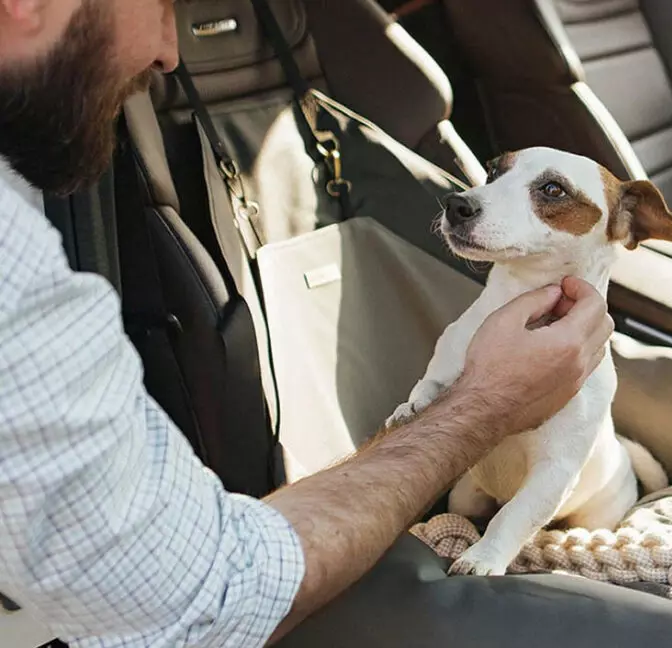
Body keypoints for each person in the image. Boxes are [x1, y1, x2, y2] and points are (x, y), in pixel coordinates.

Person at [0, 0, 614, 645]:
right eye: (162, 5)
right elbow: (195, 603)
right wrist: (489, 401)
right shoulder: (17, 263)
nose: (171, 54)